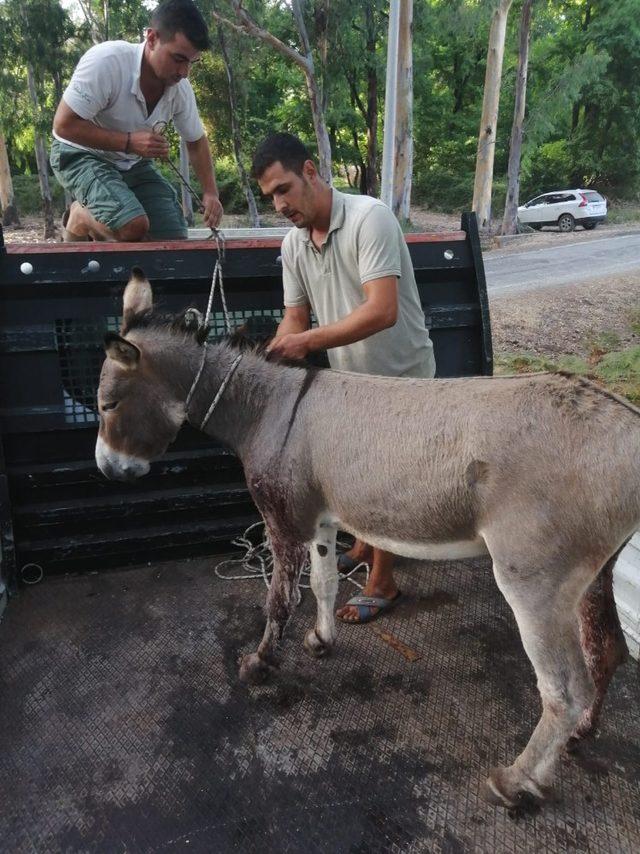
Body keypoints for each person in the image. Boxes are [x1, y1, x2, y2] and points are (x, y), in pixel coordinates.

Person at [251, 132, 436, 625]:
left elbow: (382, 311)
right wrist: (270, 362)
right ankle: (363, 545)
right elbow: (293, 318)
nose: (280, 204)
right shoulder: (292, 244)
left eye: (285, 188)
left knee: (386, 483)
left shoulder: (369, 217)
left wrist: (307, 343)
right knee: (356, 475)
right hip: (350, 383)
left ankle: (384, 582)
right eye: (271, 196)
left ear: (310, 171)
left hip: (402, 379)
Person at [50, 0, 222, 242]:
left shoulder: (180, 89)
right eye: (178, 59)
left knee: (173, 238)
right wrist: (129, 142)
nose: (184, 72)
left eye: (191, 63)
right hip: (79, 154)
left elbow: (196, 140)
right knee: (133, 227)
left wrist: (210, 193)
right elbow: (63, 125)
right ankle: (79, 216)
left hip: (131, 164)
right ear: (151, 39)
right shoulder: (106, 62)